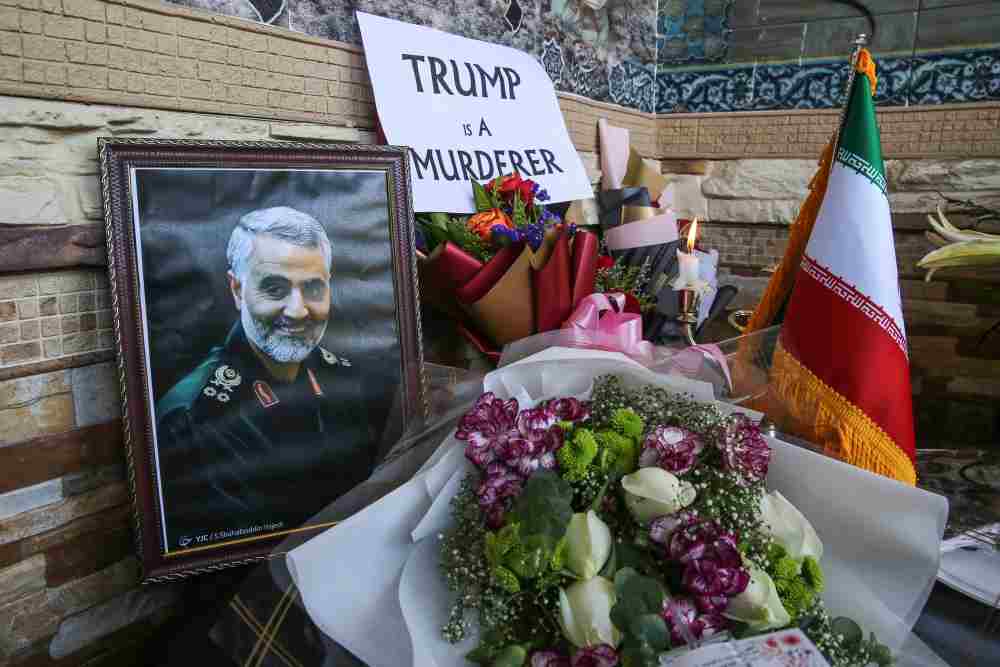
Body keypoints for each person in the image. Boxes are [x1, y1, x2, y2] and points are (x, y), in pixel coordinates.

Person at [154, 207, 371, 552]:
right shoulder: (193, 418)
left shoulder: (350, 380)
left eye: (313, 288)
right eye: (274, 288)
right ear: (237, 289)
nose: (298, 310)